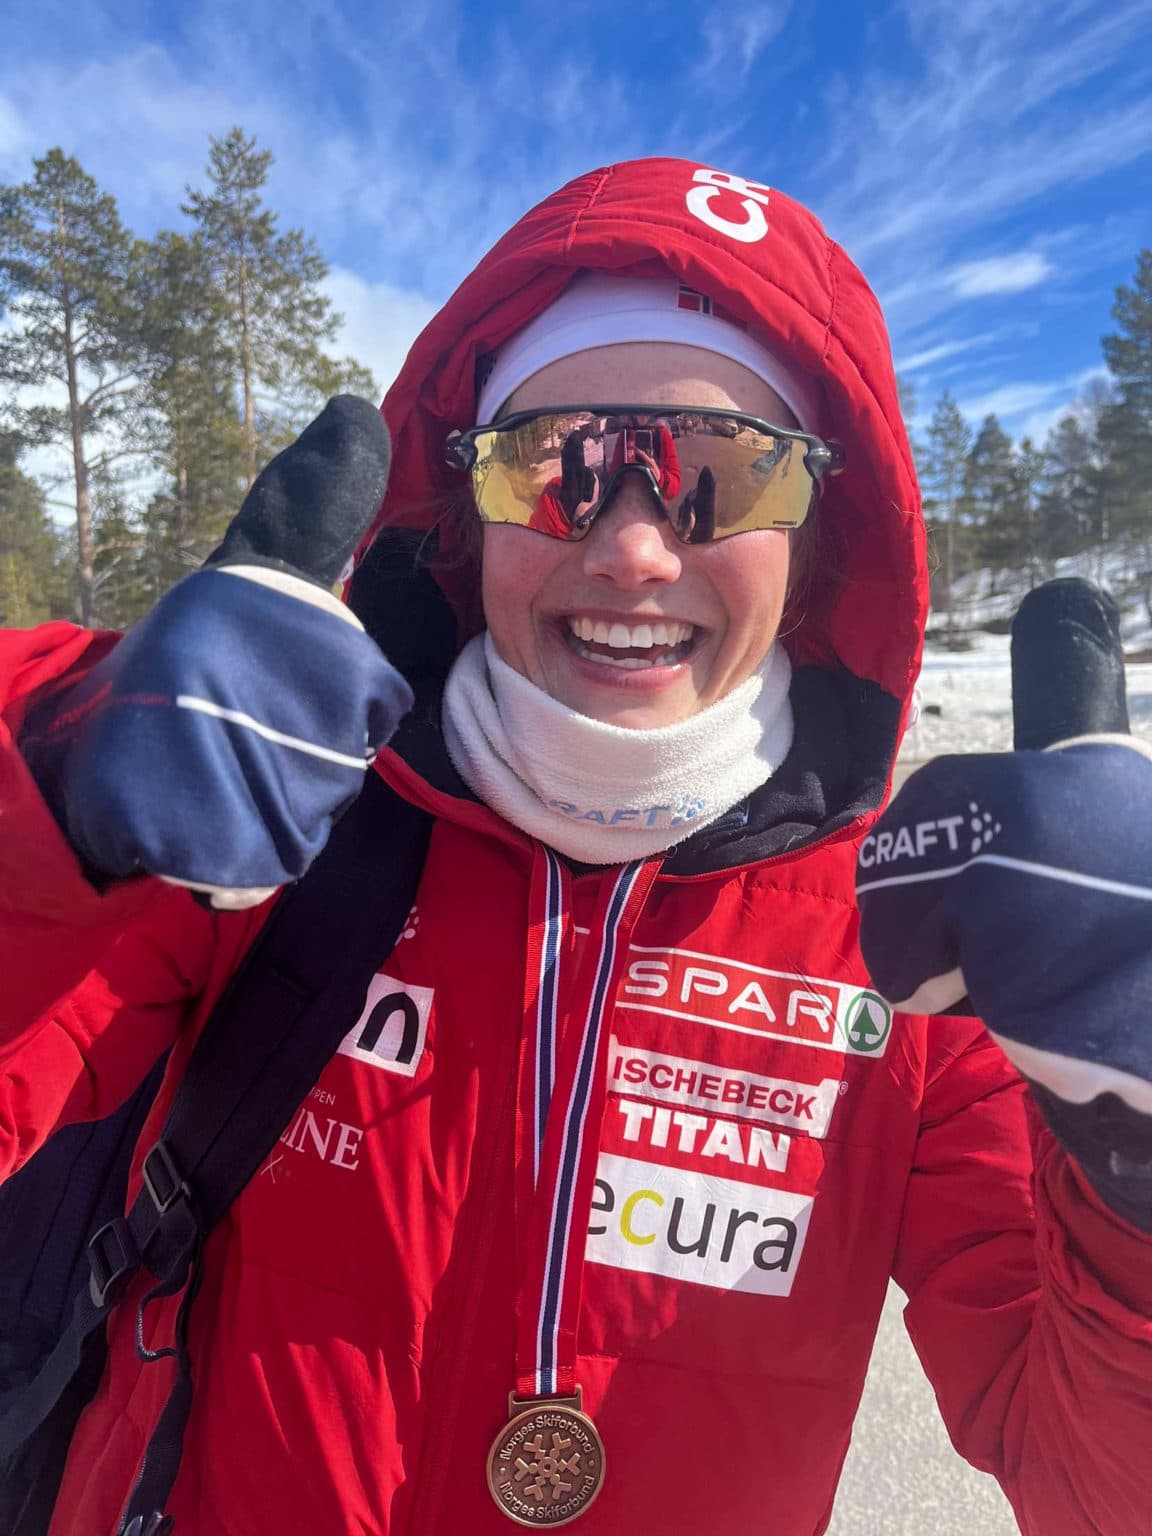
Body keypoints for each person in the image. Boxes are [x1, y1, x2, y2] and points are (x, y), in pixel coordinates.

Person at [1, 157, 1150, 1536]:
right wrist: (53, 786)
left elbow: (1095, 1489)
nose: (634, 550)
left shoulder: (920, 952)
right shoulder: (262, 816)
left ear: (819, 532)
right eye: (557, 466)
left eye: (723, 474)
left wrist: (1133, 1162)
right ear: (465, 505)